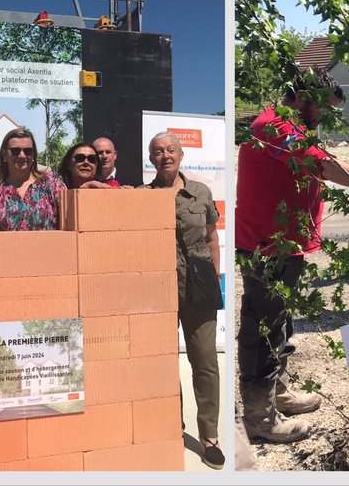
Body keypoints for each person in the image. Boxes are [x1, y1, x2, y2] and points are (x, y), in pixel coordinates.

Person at [236, 72, 349, 443]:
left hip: (283, 244)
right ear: (305, 96)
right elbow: (325, 165)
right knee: (262, 327)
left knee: (278, 320)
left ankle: (277, 392)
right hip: (267, 246)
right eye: (323, 107)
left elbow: (318, 162)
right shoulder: (273, 127)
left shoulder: (287, 126)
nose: (325, 115)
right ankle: (259, 418)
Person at [146, 131, 223, 466]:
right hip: (158, 287)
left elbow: (212, 239)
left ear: (180, 155)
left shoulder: (201, 192)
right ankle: (170, 427)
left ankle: (209, 437)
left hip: (199, 286)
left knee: (205, 360)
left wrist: (215, 280)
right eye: (159, 151)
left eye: (171, 150)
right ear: (151, 159)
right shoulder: (141, 197)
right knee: (162, 363)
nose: (166, 155)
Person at [0, 128, 64, 231]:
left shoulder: (52, 184)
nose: (22, 155)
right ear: (4, 155)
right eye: (15, 151)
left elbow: (68, 224)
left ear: (34, 155)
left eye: (28, 151)